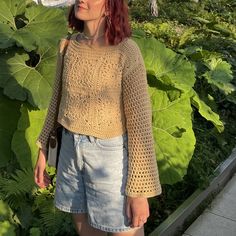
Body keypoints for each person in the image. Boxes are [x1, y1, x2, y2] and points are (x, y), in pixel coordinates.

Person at [34, 0, 162, 235]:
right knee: (86, 231)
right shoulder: (68, 45)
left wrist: (139, 191)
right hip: (70, 153)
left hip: (110, 158)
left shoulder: (126, 51)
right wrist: (43, 149)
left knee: (126, 230)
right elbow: (56, 102)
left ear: (109, 6)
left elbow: (140, 124)